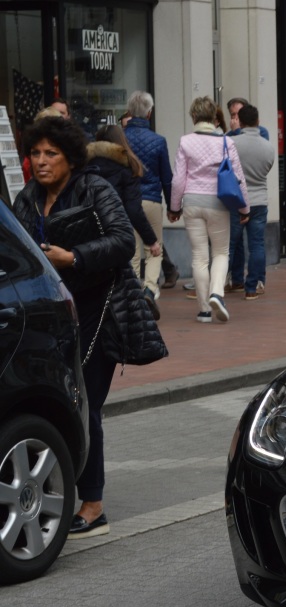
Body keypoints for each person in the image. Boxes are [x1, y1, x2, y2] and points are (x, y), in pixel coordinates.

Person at [14, 116, 135, 539]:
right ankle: (58, 486)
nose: (41, 162)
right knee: (63, 402)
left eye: (51, 154)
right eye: (35, 153)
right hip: (48, 313)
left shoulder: (93, 187)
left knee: (89, 404)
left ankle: (94, 502)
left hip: (95, 308)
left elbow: (124, 240)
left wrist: (75, 257)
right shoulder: (27, 197)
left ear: (69, 158)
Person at [168, 95, 249, 322]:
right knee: (221, 252)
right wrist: (245, 209)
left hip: (192, 203)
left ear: (194, 116)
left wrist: (175, 208)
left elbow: (177, 180)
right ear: (214, 117)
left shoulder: (185, 141)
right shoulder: (226, 142)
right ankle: (217, 293)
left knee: (199, 257)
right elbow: (239, 178)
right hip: (218, 203)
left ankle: (204, 310)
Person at [84, 125, 161, 319]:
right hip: (115, 231)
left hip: (88, 231)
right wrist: (151, 240)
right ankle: (138, 304)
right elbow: (133, 210)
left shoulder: (84, 166)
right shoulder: (127, 166)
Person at [122, 90, 174, 301]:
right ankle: (150, 289)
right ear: (149, 113)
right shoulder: (158, 141)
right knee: (154, 248)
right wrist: (173, 206)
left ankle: (133, 291)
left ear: (130, 112)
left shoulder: (120, 138)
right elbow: (167, 178)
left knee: (132, 250)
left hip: (125, 200)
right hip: (151, 199)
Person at [227, 103, 275, 299]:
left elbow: (226, 169)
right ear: (258, 122)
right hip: (259, 200)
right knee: (257, 245)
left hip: (237, 200)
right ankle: (252, 287)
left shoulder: (232, 143)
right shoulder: (268, 146)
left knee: (229, 244)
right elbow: (268, 168)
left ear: (241, 122)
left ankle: (218, 283)